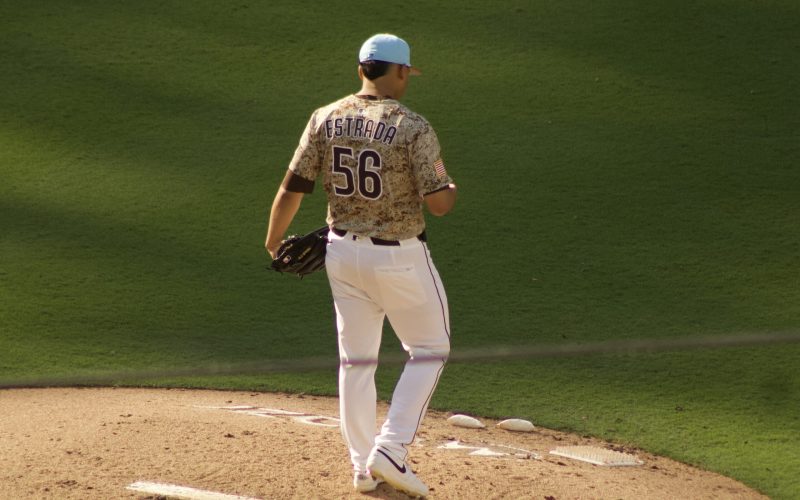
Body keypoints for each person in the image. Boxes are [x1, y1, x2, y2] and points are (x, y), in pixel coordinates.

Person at [265, 33, 457, 498]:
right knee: (431, 348)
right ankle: (390, 449)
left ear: (360, 70)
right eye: (408, 72)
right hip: (399, 259)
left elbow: (292, 188)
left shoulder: (325, 118)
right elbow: (439, 205)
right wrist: (448, 185)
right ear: (401, 72)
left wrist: (273, 242)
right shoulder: (413, 127)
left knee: (356, 361)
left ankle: (362, 467)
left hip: (341, 254)